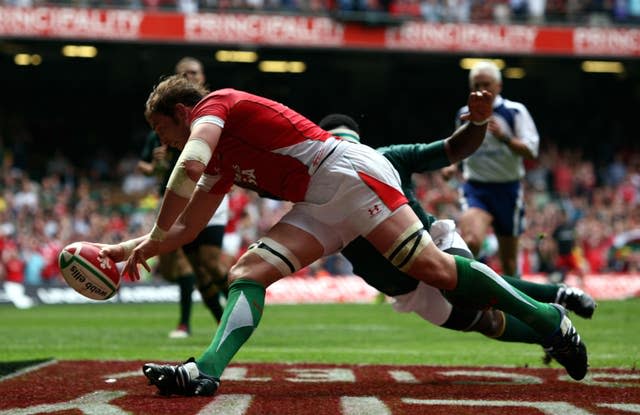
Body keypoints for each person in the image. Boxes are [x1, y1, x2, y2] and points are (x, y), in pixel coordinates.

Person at [100, 77, 587, 398]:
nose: (159, 141)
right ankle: (204, 371)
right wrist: (125, 250)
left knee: (434, 269)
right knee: (247, 271)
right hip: (318, 202)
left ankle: (550, 320)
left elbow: (187, 165)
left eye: (160, 129)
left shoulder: (213, 107)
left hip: (346, 174)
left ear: (183, 112)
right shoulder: (222, 160)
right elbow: (183, 227)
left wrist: (158, 232)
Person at [317, 113, 596, 346]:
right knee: (486, 322)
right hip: (405, 288)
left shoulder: (387, 158)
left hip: (431, 244)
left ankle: (557, 299)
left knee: (467, 293)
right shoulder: (314, 190)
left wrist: (477, 124)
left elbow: (450, 148)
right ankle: (556, 334)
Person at [136, 56, 230, 338]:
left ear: (203, 77)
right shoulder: (164, 124)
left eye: (194, 73)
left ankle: (244, 308)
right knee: (194, 268)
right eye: (183, 74)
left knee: (211, 262)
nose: (189, 77)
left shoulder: (213, 112)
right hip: (177, 197)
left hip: (209, 189)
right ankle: (222, 325)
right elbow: (148, 167)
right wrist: (155, 164)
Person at [442, 60, 539, 277]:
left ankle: (513, 306)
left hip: (508, 189)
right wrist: (452, 165)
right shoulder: (464, 113)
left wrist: (505, 138)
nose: (481, 90)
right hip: (477, 188)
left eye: (487, 84)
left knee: (509, 262)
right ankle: (473, 293)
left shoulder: (514, 112)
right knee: (471, 242)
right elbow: (458, 145)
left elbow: (531, 151)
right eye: (477, 85)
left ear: (499, 86)